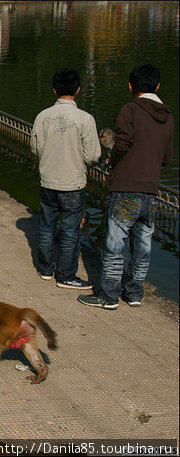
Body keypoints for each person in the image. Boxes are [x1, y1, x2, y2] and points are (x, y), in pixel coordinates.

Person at [78, 64, 174, 310]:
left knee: (115, 243)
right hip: (151, 189)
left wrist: (111, 162)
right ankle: (134, 293)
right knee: (143, 245)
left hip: (125, 187)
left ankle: (108, 295)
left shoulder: (130, 110)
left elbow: (121, 144)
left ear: (131, 86)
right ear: (158, 86)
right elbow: (166, 157)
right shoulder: (168, 116)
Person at [30, 68, 101, 290]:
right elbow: (93, 155)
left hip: (48, 181)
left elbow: (35, 148)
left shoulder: (42, 116)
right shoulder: (85, 119)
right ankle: (66, 274)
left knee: (47, 225)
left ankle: (45, 268)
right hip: (73, 183)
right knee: (70, 231)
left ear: (54, 89)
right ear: (78, 90)